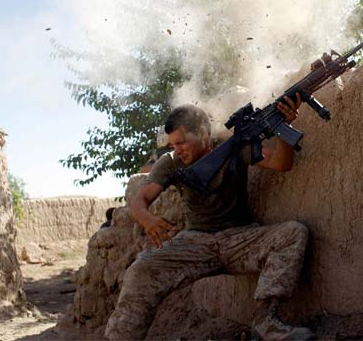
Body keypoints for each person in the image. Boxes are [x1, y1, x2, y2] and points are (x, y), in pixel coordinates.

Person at [105, 94, 315, 341]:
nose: (176, 150)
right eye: (172, 145)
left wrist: (283, 126)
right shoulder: (171, 162)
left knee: (293, 233)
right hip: (195, 243)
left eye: (181, 143)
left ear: (203, 134)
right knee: (141, 269)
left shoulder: (234, 146)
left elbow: (281, 163)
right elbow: (139, 201)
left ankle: (266, 321)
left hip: (240, 239)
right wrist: (147, 220)